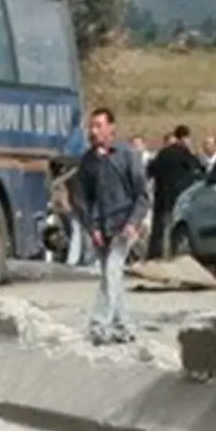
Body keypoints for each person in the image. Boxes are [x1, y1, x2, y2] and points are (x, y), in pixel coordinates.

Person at [72, 108, 150, 346]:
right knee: (112, 277)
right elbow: (82, 199)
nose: (93, 131)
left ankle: (99, 325)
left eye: (98, 125)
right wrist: (91, 227)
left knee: (111, 273)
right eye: (91, 126)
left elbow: (142, 195)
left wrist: (133, 223)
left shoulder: (126, 155)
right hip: (101, 228)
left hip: (123, 226)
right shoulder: (88, 162)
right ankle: (124, 326)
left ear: (111, 128)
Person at [145, 124, 205, 260]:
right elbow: (199, 171)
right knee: (175, 230)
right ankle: (172, 256)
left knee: (159, 230)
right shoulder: (185, 154)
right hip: (179, 197)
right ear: (185, 138)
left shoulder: (163, 153)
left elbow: (150, 171)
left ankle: (154, 257)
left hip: (161, 197)